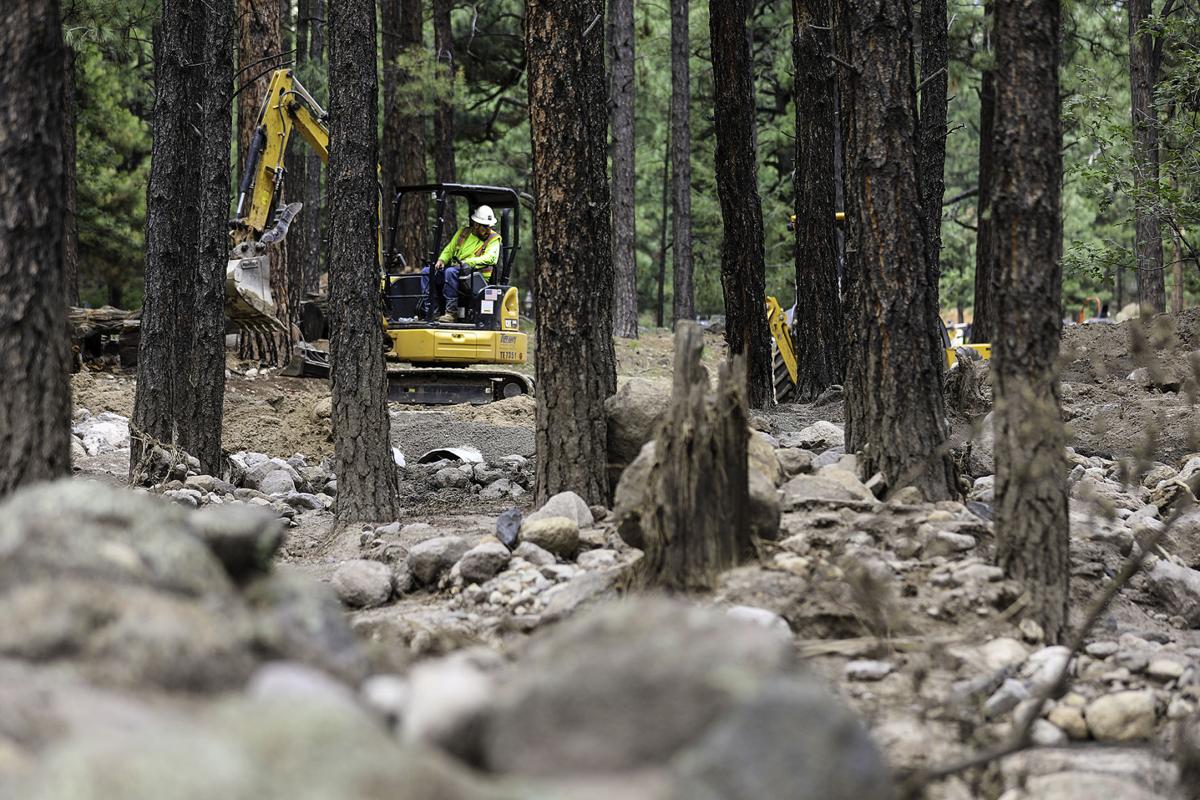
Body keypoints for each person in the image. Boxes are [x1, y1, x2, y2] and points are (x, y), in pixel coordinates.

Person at [421, 205, 501, 323]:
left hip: (476, 277)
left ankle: (451, 313)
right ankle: (432, 311)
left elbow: (491, 258)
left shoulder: (494, 238)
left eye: (489, 226)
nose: (488, 229)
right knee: (427, 272)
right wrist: (442, 260)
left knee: (450, 271)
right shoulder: (463, 233)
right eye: (485, 226)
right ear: (476, 224)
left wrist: (467, 263)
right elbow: (450, 249)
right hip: (457, 272)